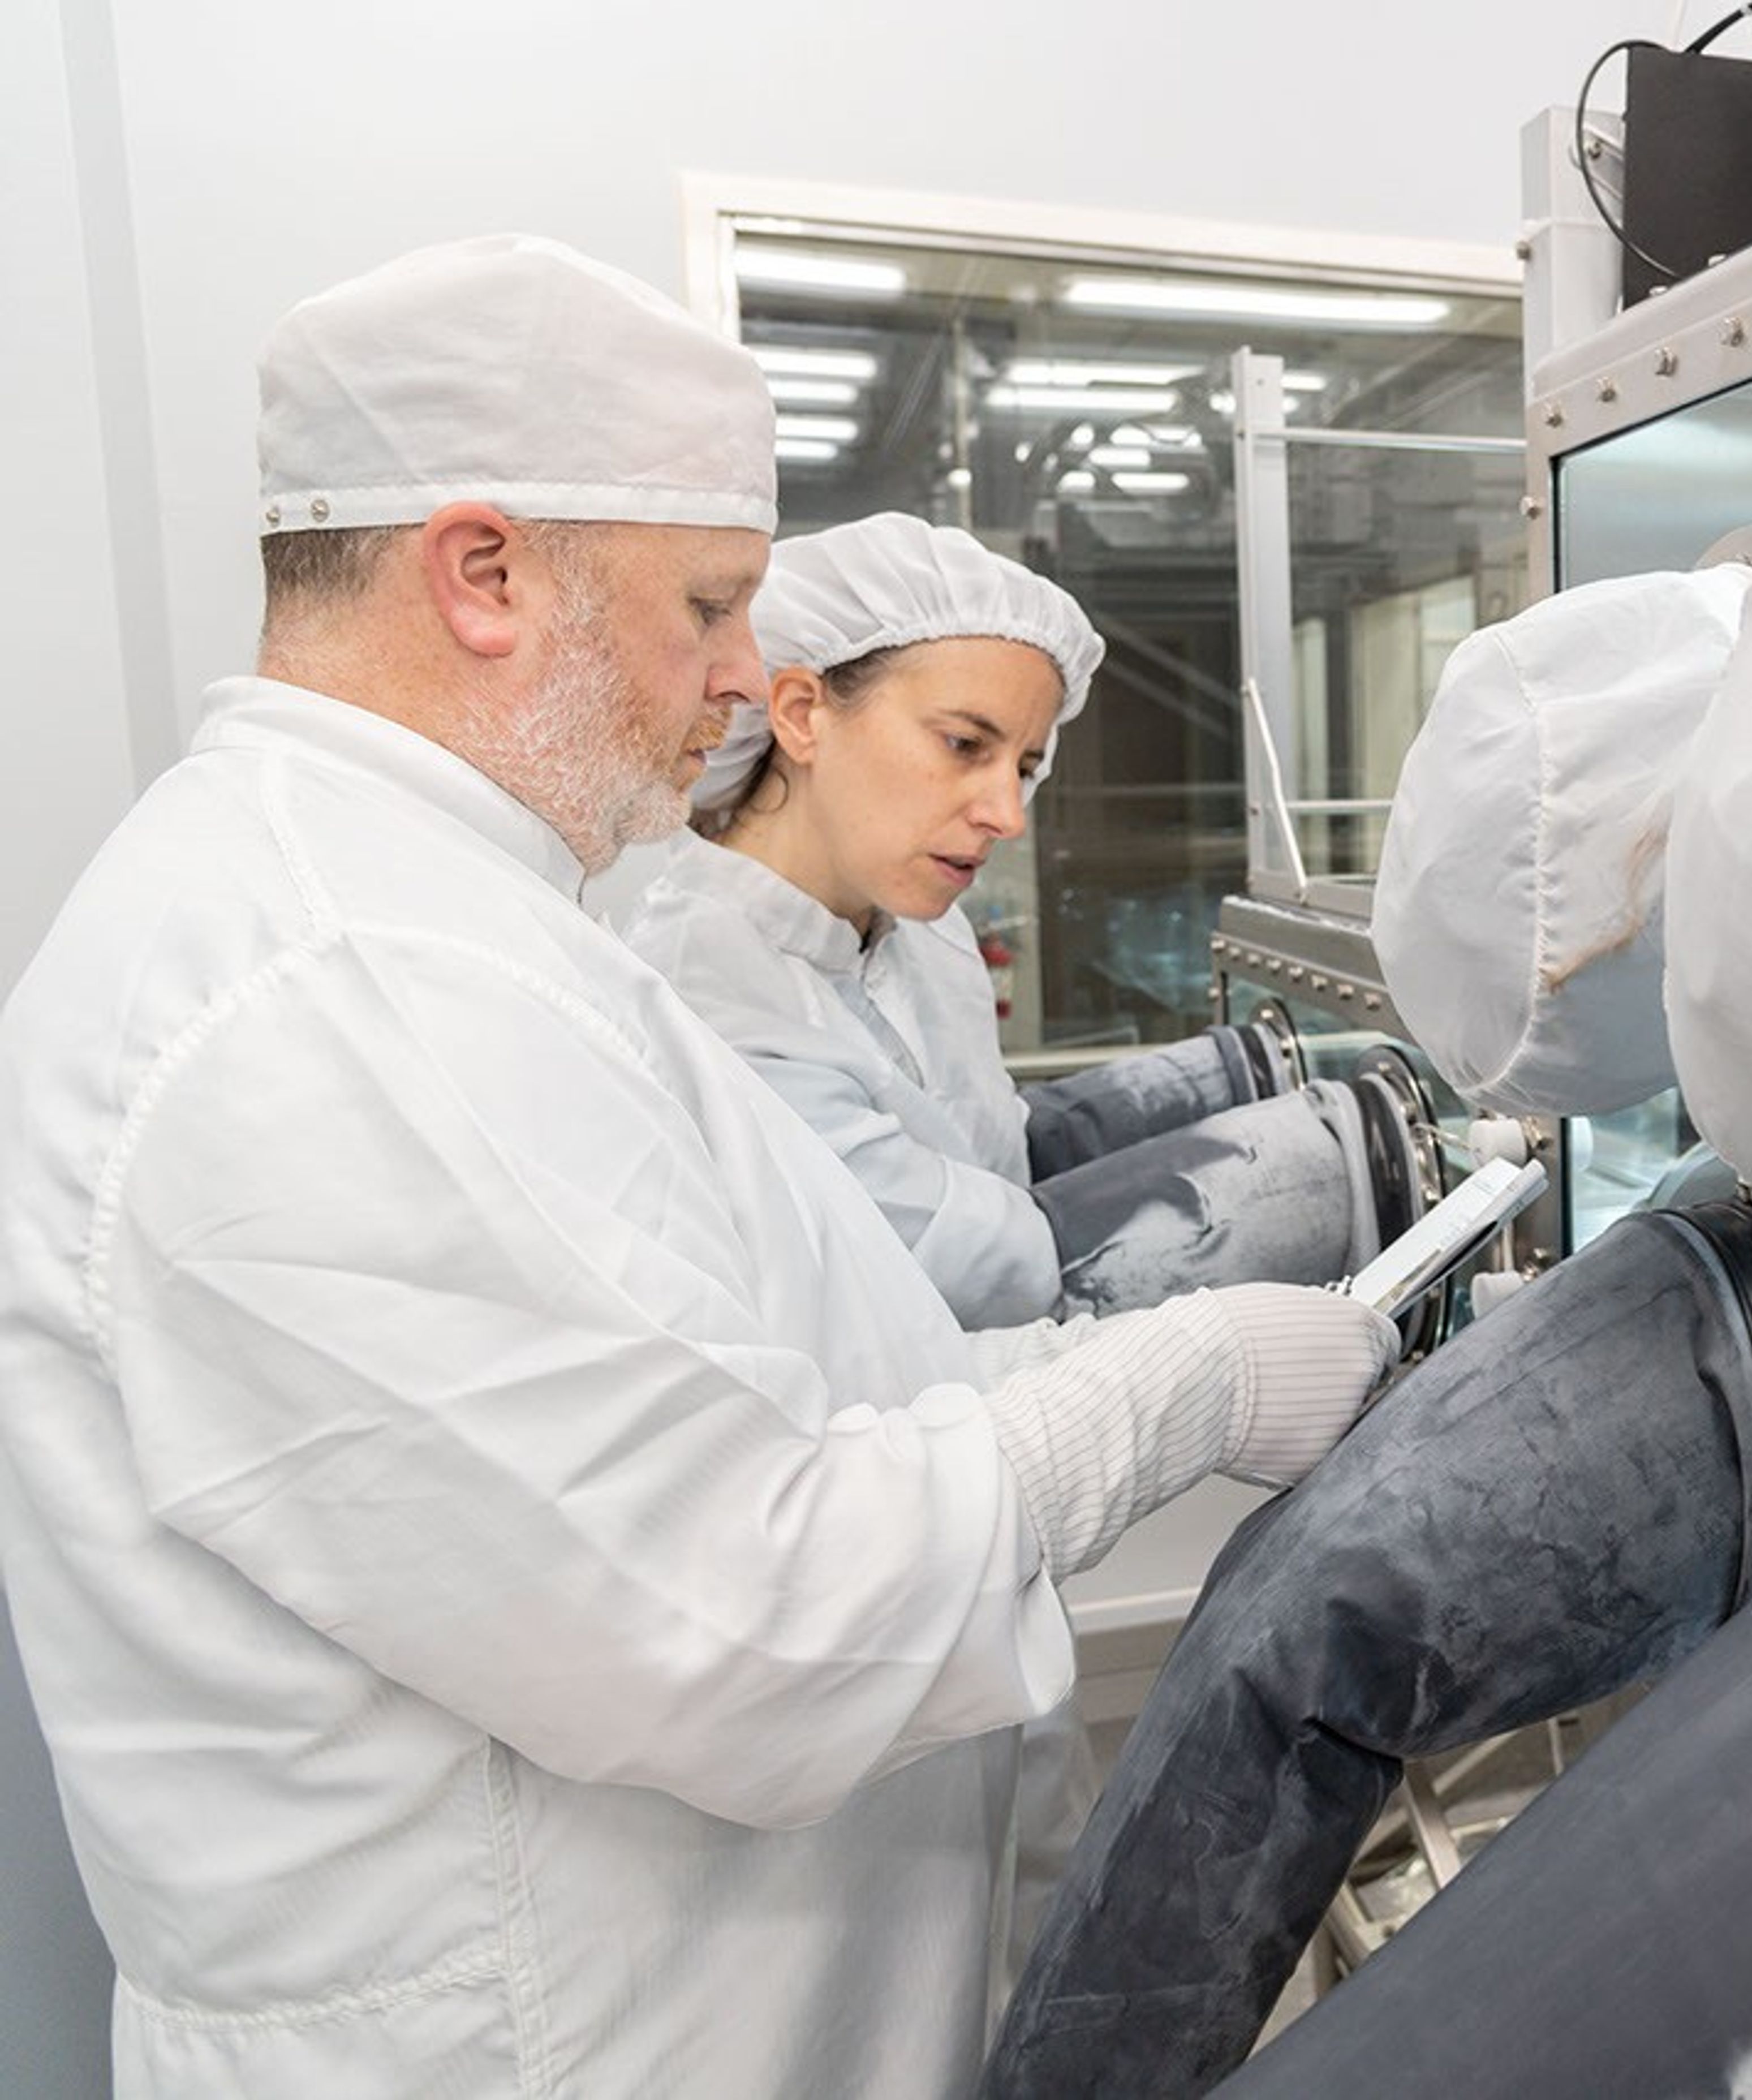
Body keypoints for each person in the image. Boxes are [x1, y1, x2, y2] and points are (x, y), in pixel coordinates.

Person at [0, 234, 1396, 2099]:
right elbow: (751, 1609)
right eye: (711, 605)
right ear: (482, 571)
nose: (749, 680)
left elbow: (778, 1386)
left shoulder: (467, 924)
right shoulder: (327, 993)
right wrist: (1178, 1381)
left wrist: (1069, 1371)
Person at [617, 513, 1376, 1333]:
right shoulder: (708, 998)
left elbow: (990, 1159)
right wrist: (1334, 1173)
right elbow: (965, 1279)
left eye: (1023, 766)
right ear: (801, 713)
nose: (1008, 815)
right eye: (962, 744)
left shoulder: (921, 931)